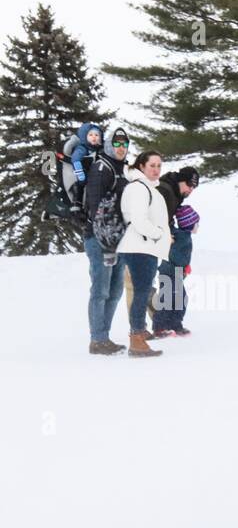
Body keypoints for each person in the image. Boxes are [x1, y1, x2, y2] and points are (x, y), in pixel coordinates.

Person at [116, 151, 170, 358]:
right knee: (141, 292)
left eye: (159, 165)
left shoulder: (147, 187)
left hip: (144, 246)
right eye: (152, 165)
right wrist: (159, 234)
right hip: (139, 247)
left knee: (142, 290)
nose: (156, 170)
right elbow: (138, 220)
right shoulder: (138, 188)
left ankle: (139, 333)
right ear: (141, 166)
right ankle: (136, 338)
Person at [83, 124, 131, 355]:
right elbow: (96, 209)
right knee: (101, 290)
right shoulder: (101, 168)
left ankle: (104, 337)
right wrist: (107, 243)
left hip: (118, 239)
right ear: (109, 144)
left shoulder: (121, 168)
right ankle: (97, 339)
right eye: (117, 143)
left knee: (115, 291)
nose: (121, 147)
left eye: (125, 144)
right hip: (100, 239)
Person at [152, 166, 200, 337]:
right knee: (167, 298)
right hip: (169, 270)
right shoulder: (166, 191)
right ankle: (160, 326)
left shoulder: (176, 194)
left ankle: (175, 324)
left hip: (175, 271)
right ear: (181, 181)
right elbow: (158, 216)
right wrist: (167, 234)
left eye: (194, 187)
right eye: (190, 185)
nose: (191, 190)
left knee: (178, 297)